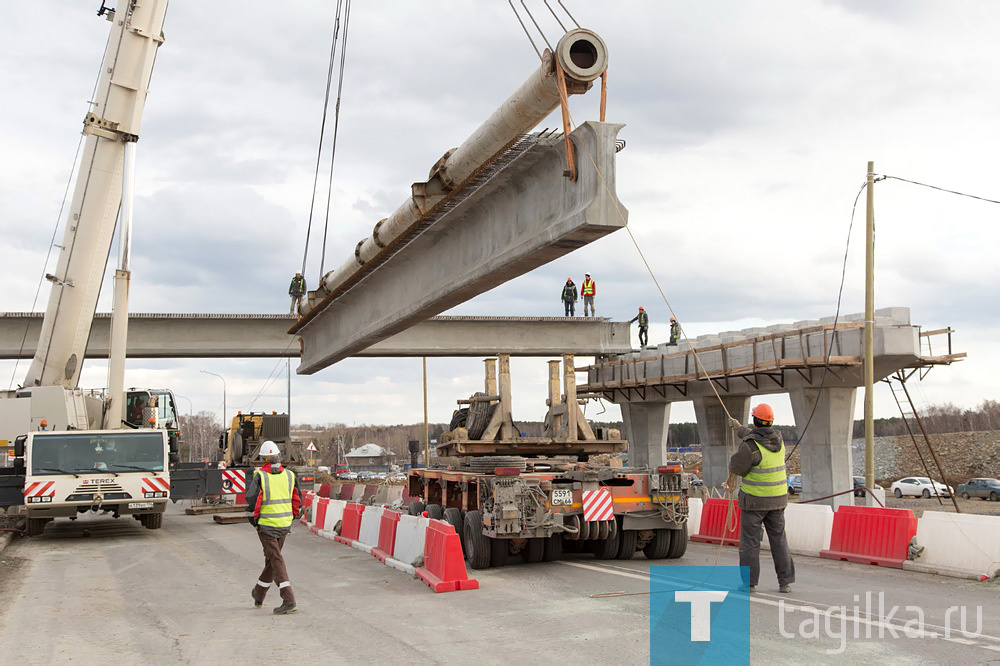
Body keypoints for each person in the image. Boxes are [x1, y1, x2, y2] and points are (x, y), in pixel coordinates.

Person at [726, 403, 794, 594]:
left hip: (755, 502)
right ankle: (785, 582)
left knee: (750, 542)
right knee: (779, 540)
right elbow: (757, 435)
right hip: (778, 501)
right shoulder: (779, 440)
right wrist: (739, 429)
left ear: (755, 421)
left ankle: (749, 584)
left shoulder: (750, 447)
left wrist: (742, 437)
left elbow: (737, 467)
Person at [246, 440, 303, 614]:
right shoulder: (290, 475)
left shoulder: (261, 476)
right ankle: (259, 593)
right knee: (272, 560)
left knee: (276, 560)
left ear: (263, 459)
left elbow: (253, 502)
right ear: (279, 456)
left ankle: (289, 600)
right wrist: (291, 516)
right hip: (284, 524)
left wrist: (255, 522)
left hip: (267, 526)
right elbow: (297, 501)